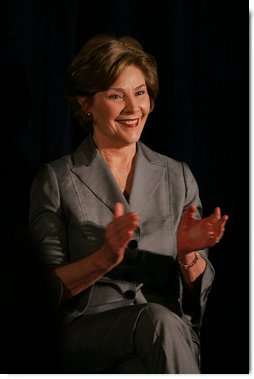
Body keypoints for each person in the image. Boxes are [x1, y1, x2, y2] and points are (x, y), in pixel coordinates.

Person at [28, 33, 228, 374]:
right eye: (116, 96)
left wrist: (187, 254)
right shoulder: (57, 179)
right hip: (88, 332)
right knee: (156, 322)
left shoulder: (177, 175)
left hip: (167, 335)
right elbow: (40, 294)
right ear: (86, 104)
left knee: (157, 337)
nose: (134, 108)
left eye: (140, 93)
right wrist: (104, 258)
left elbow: (197, 299)